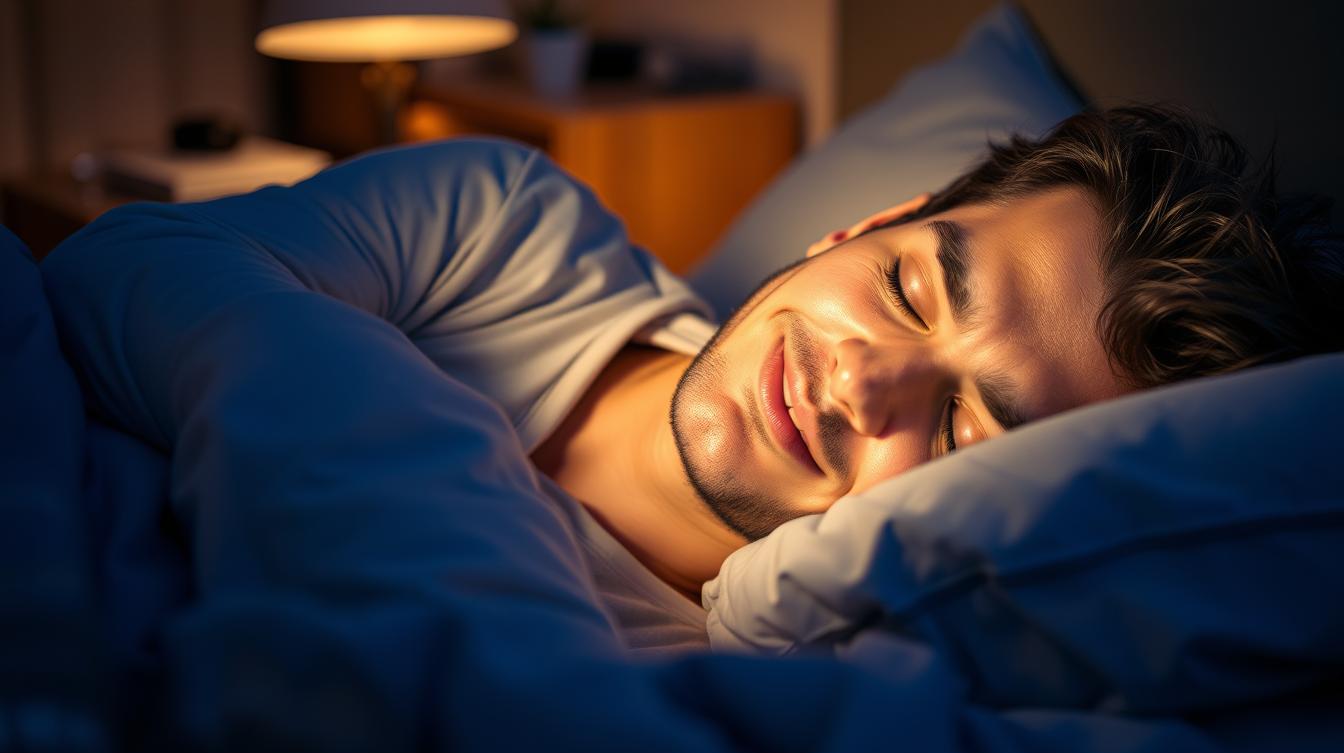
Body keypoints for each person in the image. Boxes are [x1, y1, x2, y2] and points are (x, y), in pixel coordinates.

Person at [41, 105, 1343, 657]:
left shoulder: (760, 678)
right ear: (863, 228)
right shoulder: (508, 224)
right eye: (909, 288)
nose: (865, 379)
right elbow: (120, 274)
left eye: (963, 426)